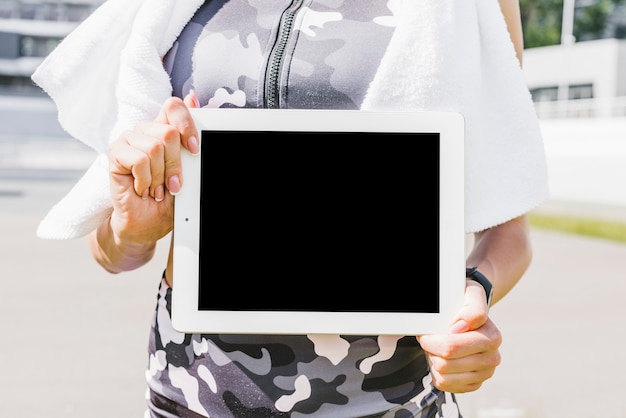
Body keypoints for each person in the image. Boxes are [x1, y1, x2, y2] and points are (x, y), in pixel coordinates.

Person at [32, 0, 549, 416]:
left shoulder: (473, 7)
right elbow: (114, 252)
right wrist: (134, 231)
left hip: (387, 402)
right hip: (190, 394)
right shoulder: (163, 11)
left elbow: (509, 230)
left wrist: (472, 297)